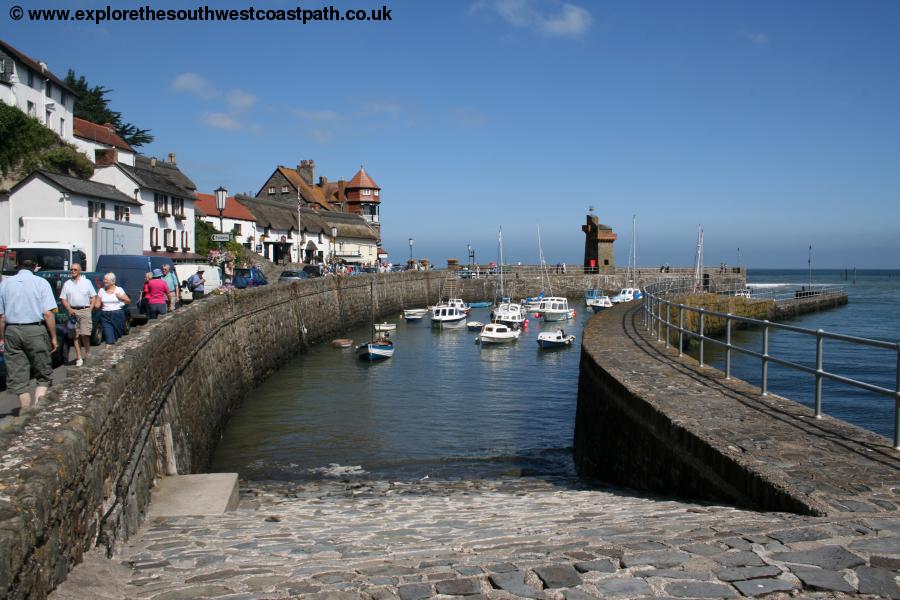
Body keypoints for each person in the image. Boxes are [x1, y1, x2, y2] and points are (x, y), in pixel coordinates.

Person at [0, 260, 59, 411]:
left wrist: (2, 337)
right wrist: (53, 336)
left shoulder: (5, 284)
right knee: (43, 373)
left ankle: (24, 410)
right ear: (34, 267)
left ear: (18, 267)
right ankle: (38, 409)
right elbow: (48, 314)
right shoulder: (41, 282)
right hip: (34, 330)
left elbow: (1, 317)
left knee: (18, 376)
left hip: (12, 330)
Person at [59, 263, 97, 367]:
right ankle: (79, 357)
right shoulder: (67, 283)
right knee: (74, 336)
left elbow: (93, 296)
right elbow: (63, 298)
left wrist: (90, 308)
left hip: (85, 310)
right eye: (71, 269)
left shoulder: (87, 282)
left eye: (75, 269)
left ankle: (87, 352)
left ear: (79, 271)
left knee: (85, 334)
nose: (73, 271)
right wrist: (69, 308)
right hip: (72, 311)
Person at [92, 272, 130, 344]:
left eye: (106, 279)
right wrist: (93, 299)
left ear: (113, 281)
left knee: (117, 336)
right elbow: (97, 305)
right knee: (109, 338)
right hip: (105, 316)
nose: (104, 281)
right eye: (104, 279)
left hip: (117, 315)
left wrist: (121, 297)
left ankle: (113, 349)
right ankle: (109, 347)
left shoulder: (119, 290)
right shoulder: (101, 290)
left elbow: (128, 301)